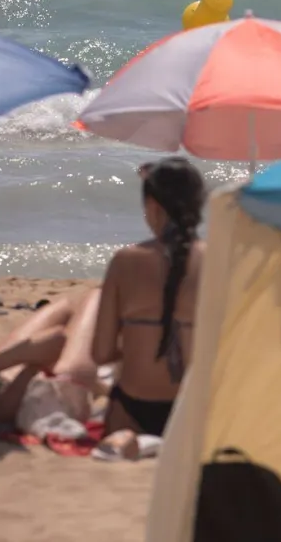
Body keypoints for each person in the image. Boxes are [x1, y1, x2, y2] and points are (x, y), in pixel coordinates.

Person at [91, 157, 206, 438]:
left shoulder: (126, 260)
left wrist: (137, 342)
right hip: (194, 409)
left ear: (153, 207)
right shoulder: (220, 260)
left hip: (134, 405)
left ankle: (125, 440)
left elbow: (100, 353)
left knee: (120, 425)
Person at [0, 290, 103, 426]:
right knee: (96, 297)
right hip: (59, 389)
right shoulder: (0, 404)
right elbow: (58, 339)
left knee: (67, 306)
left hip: (5, 384)